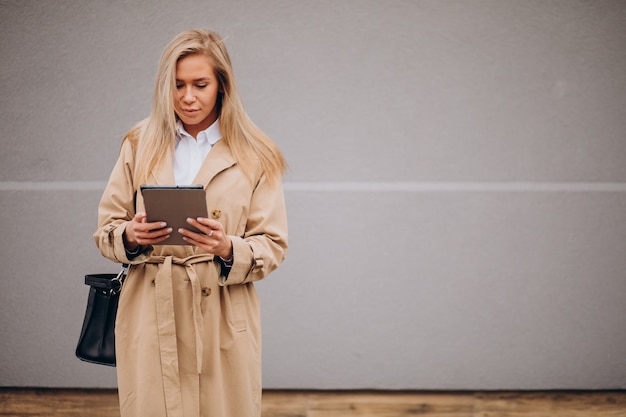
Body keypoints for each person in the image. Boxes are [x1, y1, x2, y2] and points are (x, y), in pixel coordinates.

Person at [94, 29, 288, 417]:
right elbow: (106, 229)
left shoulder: (256, 153)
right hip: (151, 306)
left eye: (200, 84)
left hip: (220, 310)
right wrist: (132, 236)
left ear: (222, 86)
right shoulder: (139, 142)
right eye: (178, 85)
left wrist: (227, 247)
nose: (187, 97)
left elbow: (273, 244)